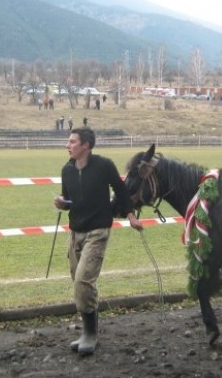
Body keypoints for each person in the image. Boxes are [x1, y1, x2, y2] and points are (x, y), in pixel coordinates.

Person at [53, 127, 143, 356]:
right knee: (79, 282)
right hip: (75, 233)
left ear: (86, 145)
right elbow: (69, 200)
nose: (68, 145)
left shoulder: (104, 165)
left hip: (98, 232)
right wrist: (63, 203)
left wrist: (131, 216)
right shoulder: (67, 169)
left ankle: (90, 334)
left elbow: (122, 191)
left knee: (83, 283)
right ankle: (88, 331)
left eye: (72, 142)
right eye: (68, 142)